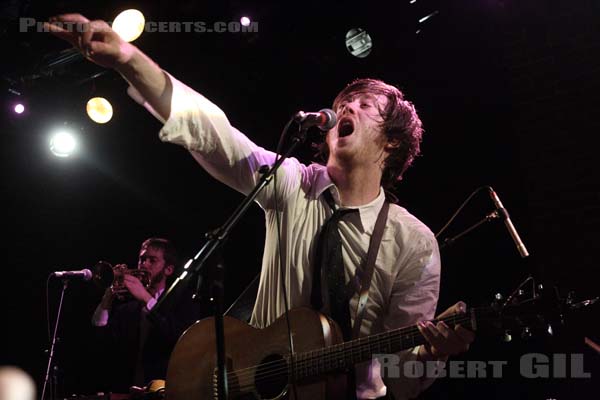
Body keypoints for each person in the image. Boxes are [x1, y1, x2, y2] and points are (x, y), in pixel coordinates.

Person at [47, 15, 475, 399]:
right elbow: (213, 135)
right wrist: (127, 58)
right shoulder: (293, 184)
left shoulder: (414, 243)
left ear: (393, 143)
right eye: (345, 102)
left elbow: (400, 380)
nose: (347, 108)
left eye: (365, 106)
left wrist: (435, 355)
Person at [91, 237, 203, 394]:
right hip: (128, 392)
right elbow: (101, 341)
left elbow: (179, 337)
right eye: (142, 259)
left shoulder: (184, 301)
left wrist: (146, 299)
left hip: (167, 391)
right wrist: (107, 296)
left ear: (168, 269)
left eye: (152, 260)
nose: (144, 264)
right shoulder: (127, 310)